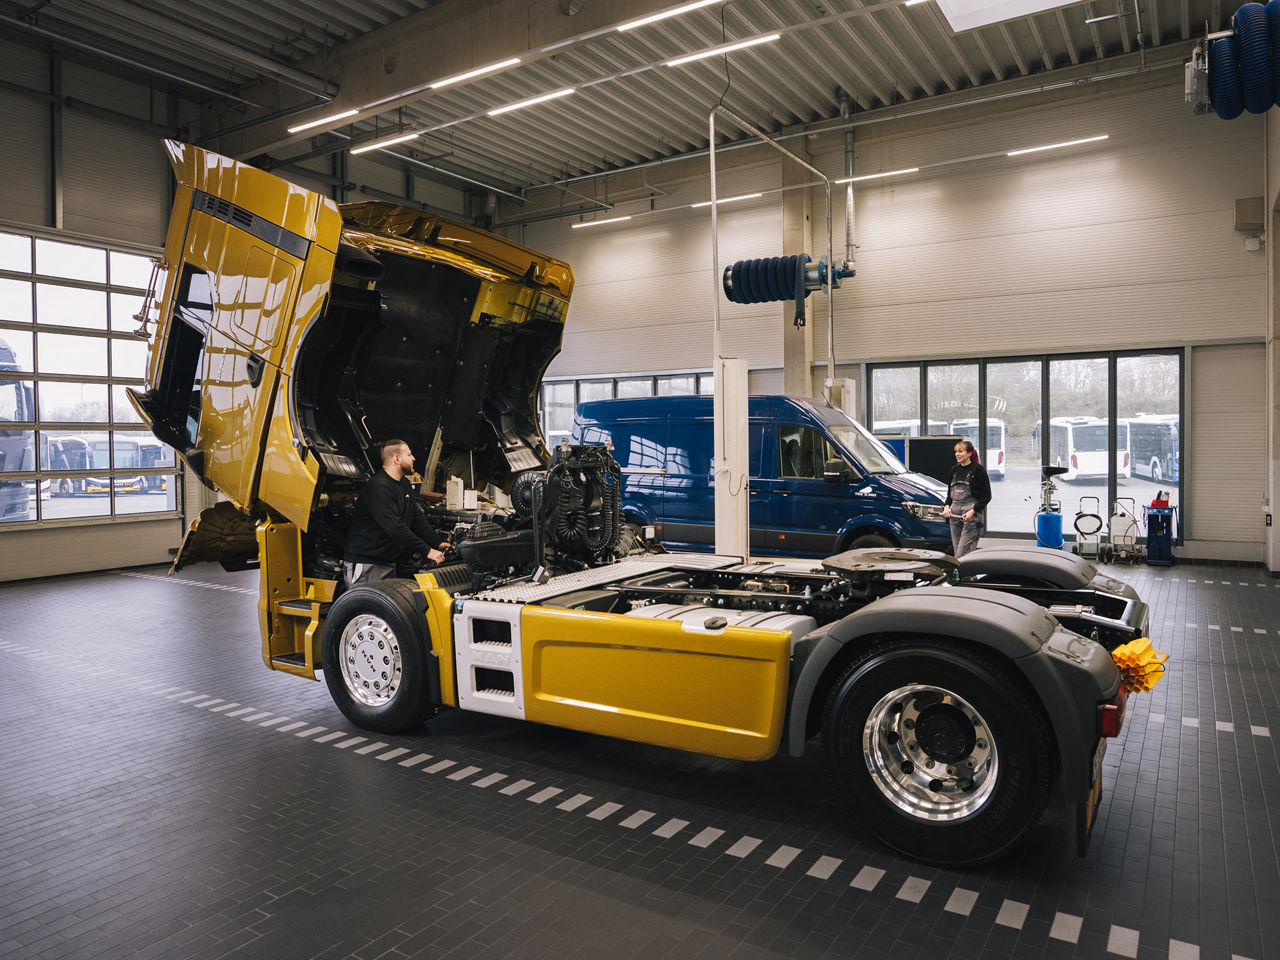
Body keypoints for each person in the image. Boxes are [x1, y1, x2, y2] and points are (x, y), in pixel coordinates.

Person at [343, 439, 449, 586]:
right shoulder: (378, 487)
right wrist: (427, 551)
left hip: (389, 563)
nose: (414, 458)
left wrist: (437, 542)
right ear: (397, 458)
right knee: (368, 608)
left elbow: (416, 517)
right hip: (368, 564)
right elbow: (394, 526)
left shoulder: (404, 484)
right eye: (409, 454)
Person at [942, 439, 991, 558]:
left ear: (969, 453)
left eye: (961, 451)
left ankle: (966, 576)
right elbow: (950, 495)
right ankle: (967, 576)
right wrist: (947, 508)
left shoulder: (978, 470)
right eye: (956, 452)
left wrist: (972, 512)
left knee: (963, 554)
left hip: (970, 517)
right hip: (955, 516)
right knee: (957, 551)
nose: (957, 454)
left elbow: (986, 496)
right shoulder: (954, 470)